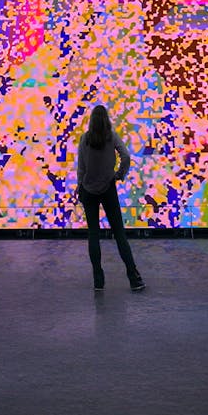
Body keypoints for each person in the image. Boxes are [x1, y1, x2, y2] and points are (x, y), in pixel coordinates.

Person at [75, 104, 144, 292]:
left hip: (89, 190)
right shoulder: (111, 137)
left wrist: (80, 186)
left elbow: (81, 167)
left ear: (91, 120)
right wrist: (119, 174)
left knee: (93, 235)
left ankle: (98, 281)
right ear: (106, 119)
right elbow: (126, 156)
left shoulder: (84, 139)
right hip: (108, 188)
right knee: (119, 234)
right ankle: (134, 278)